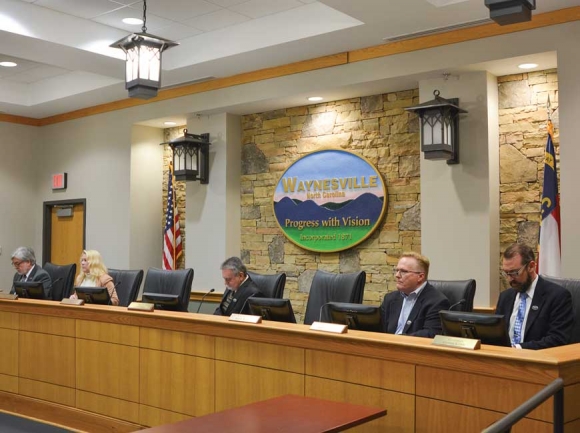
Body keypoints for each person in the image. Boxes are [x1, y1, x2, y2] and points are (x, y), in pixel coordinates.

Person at [495, 243, 574, 350]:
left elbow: (557, 338)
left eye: (514, 273)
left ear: (531, 266)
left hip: (538, 362)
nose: (510, 279)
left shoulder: (557, 296)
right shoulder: (505, 297)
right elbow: (497, 334)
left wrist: (517, 348)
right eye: (506, 273)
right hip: (502, 361)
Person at [380, 251, 450, 337]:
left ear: (420, 277)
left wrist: (398, 340)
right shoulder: (390, 298)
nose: (397, 275)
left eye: (403, 271)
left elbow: (431, 334)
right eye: (396, 270)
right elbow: (379, 328)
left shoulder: (437, 302)